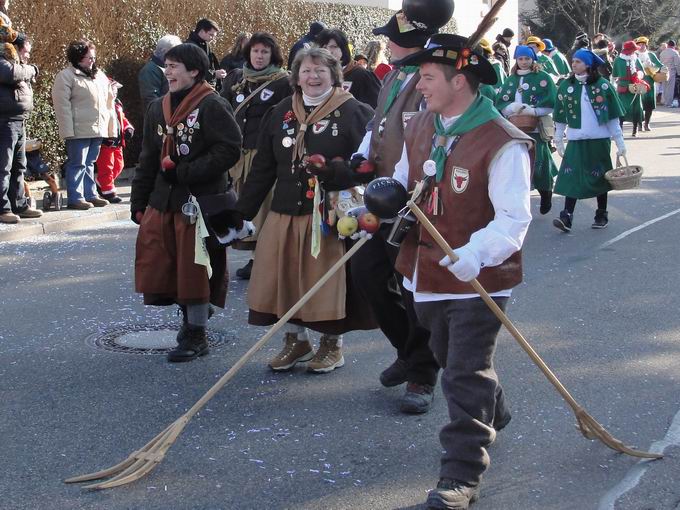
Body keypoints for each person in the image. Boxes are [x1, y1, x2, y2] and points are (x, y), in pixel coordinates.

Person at [387, 32, 532, 510]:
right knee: (452, 358)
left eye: (428, 77)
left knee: (464, 373)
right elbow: (409, 184)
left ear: (460, 81)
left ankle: (460, 478)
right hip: (422, 270)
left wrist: (478, 252)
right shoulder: (422, 125)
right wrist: (381, 200)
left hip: (477, 279)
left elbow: (514, 220)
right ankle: (495, 407)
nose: (419, 86)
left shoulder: (503, 142)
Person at [235, 47, 374, 374]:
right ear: (296, 76)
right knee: (283, 279)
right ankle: (295, 341)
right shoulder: (281, 111)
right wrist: (240, 213)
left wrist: (338, 172)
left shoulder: (354, 113)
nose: (313, 77)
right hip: (284, 213)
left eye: (320, 71)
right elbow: (263, 170)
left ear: (334, 75)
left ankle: (331, 345)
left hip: (330, 218)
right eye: (307, 71)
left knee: (324, 282)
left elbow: (371, 166)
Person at [351, 3, 451, 414]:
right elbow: (379, 125)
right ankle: (406, 350)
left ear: (409, 41)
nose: (385, 43)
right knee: (369, 275)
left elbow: (436, 137)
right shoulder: (393, 75)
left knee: (416, 292)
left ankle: (422, 375)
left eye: (391, 37)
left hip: (417, 200)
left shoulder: (432, 80)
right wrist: (361, 157)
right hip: (383, 196)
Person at [131, 43, 242, 362]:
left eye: (175, 66)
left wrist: (186, 171)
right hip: (163, 202)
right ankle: (191, 318)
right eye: (167, 66)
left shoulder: (212, 105)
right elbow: (148, 157)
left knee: (194, 270)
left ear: (194, 71)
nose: (168, 72)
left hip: (199, 203)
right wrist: (139, 200)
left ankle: (196, 335)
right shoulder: (157, 107)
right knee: (166, 267)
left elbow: (229, 148)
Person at [221, 32, 291, 280]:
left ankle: (261, 258)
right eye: (255, 51)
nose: (259, 56)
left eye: (264, 52)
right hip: (237, 156)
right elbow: (223, 111)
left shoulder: (284, 82)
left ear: (273, 55)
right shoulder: (236, 78)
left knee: (263, 208)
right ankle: (252, 252)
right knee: (241, 206)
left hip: (264, 156)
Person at [552, 49, 626, 232]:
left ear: (588, 65)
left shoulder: (603, 86)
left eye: (578, 61)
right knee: (571, 177)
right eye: (573, 61)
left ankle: (601, 213)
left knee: (600, 177)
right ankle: (566, 216)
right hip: (576, 140)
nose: (574, 64)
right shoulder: (566, 86)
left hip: (598, 140)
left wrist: (620, 142)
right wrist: (559, 138)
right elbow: (560, 115)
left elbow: (613, 117)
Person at [496, 45, 558, 215]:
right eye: (520, 59)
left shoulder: (543, 77)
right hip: (515, 130)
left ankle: (546, 192)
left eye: (527, 59)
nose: (523, 62)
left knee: (540, 162)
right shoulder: (510, 80)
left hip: (536, 129)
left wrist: (534, 111)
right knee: (517, 165)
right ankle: (519, 202)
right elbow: (500, 103)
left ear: (533, 59)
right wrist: (511, 108)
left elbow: (551, 102)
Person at [52, 39, 113, 209]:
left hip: (97, 127)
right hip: (78, 129)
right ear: (78, 57)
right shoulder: (66, 76)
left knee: (90, 163)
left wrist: (109, 127)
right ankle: (76, 197)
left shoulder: (99, 75)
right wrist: (68, 130)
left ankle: (90, 194)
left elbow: (107, 102)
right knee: (77, 163)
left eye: (93, 57)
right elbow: (62, 106)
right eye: (89, 57)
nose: (92, 60)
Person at [0, 33, 43, 223]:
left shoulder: (15, 65)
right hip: (5, 120)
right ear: (14, 49)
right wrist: (31, 70)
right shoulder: (5, 62)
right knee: (4, 167)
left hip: (18, 120)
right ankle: (3, 209)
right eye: (25, 52)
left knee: (19, 166)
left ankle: (18, 204)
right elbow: (11, 74)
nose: (27, 57)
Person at [316, 28, 381, 108]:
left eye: (333, 46)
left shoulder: (362, 75)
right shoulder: (319, 75)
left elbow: (375, 108)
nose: (329, 51)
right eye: (324, 48)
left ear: (343, 49)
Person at [95, 80, 133, 203]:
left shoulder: (117, 104)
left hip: (118, 141)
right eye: (113, 89)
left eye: (116, 90)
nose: (115, 92)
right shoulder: (101, 104)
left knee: (119, 165)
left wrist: (128, 127)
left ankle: (102, 182)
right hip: (106, 140)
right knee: (107, 167)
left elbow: (122, 118)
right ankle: (108, 191)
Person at [138, 34, 182, 112]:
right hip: (159, 118)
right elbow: (150, 100)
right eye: (174, 52)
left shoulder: (167, 67)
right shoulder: (150, 70)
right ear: (164, 51)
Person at [613, 40, 646, 136]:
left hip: (634, 86)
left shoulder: (635, 59)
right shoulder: (619, 60)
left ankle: (634, 129)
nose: (634, 52)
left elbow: (641, 71)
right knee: (623, 108)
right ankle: (622, 129)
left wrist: (638, 75)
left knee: (635, 109)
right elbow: (615, 74)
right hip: (624, 88)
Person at [185, 18, 225, 90]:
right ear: (202, 31)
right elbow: (194, 70)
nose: (212, 38)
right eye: (211, 35)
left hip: (205, 85)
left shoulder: (205, 44)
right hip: (195, 88)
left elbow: (210, 65)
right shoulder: (190, 47)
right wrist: (214, 74)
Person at [635, 36, 664, 131]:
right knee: (639, 104)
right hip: (638, 80)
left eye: (643, 44)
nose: (641, 46)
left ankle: (647, 124)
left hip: (650, 81)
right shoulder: (634, 55)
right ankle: (639, 124)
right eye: (639, 44)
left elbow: (660, 65)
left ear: (646, 45)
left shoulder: (651, 55)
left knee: (649, 105)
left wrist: (652, 65)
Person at [660, 40, 680, 107]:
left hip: (663, 71)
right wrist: (679, 73)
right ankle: (669, 103)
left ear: (668, 45)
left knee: (664, 87)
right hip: (671, 71)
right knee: (670, 88)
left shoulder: (662, 52)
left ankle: (665, 101)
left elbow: (660, 62)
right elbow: (677, 64)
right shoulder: (674, 52)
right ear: (674, 46)